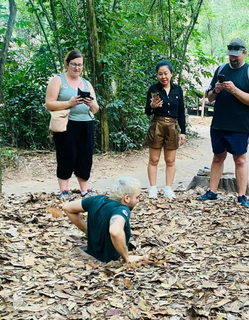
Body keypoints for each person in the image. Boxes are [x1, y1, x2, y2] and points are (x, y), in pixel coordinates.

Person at [198, 38, 249, 208]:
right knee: (218, 157)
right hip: (219, 122)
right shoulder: (221, 69)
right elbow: (210, 98)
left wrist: (234, 90)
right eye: (231, 56)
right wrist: (216, 90)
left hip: (240, 125)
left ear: (244, 53)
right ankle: (212, 192)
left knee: (240, 159)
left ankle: (241, 195)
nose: (233, 59)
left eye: (236, 56)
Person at [45, 50, 99, 201]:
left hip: (86, 124)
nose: (77, 68)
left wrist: (90, 103)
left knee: (85, 156)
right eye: (74, 64)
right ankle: (63, 191)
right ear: (67, 64)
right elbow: (49, 104)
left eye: (80, 65)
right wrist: (70, 103)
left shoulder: (86, 83)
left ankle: (85, 190)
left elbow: (96, 108)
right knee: (66, 156)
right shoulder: (58, 80)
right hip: (67, 124)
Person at [63, 177, 146, 263]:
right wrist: (126, 257)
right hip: (110, 260)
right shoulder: (121, 210)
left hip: (92, 254)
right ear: (127, 198)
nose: (138, 200)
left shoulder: (97, 199)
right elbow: (115, 231)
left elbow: (67, 208)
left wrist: (88, 231)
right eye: (137, 197)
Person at [145, 60, 186, 199]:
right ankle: (153, 188)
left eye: (166, 73)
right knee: (154, 159)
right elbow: (147, 111)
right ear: (157, 75)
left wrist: (183, 132)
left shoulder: (177, 90)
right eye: (160, 74)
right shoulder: (153, 89)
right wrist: (152, 106)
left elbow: (181, 112)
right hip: (157, 125)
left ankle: (168, 188)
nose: (163, 77)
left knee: (170, 160)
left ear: (171, 74)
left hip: (172, 126)